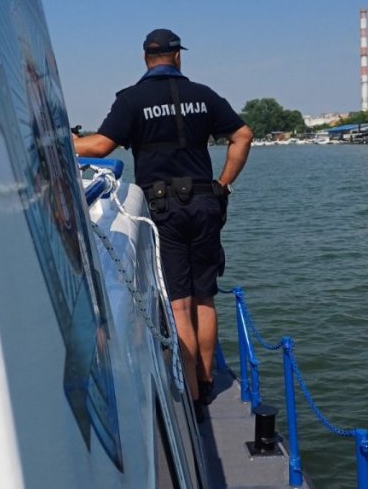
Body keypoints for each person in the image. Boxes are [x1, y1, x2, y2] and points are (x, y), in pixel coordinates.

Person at [73, 28, 252, 422]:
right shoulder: (204, 95)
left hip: (164, 208)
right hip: (206, 202)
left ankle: (192, 399)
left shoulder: (132, 99)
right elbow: (243, 134)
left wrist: (61, 140)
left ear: (145, 58)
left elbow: (100, 146)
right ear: (178, 57)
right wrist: (223, 184)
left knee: (180, 304)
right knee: (205, 298)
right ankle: (207, 382)